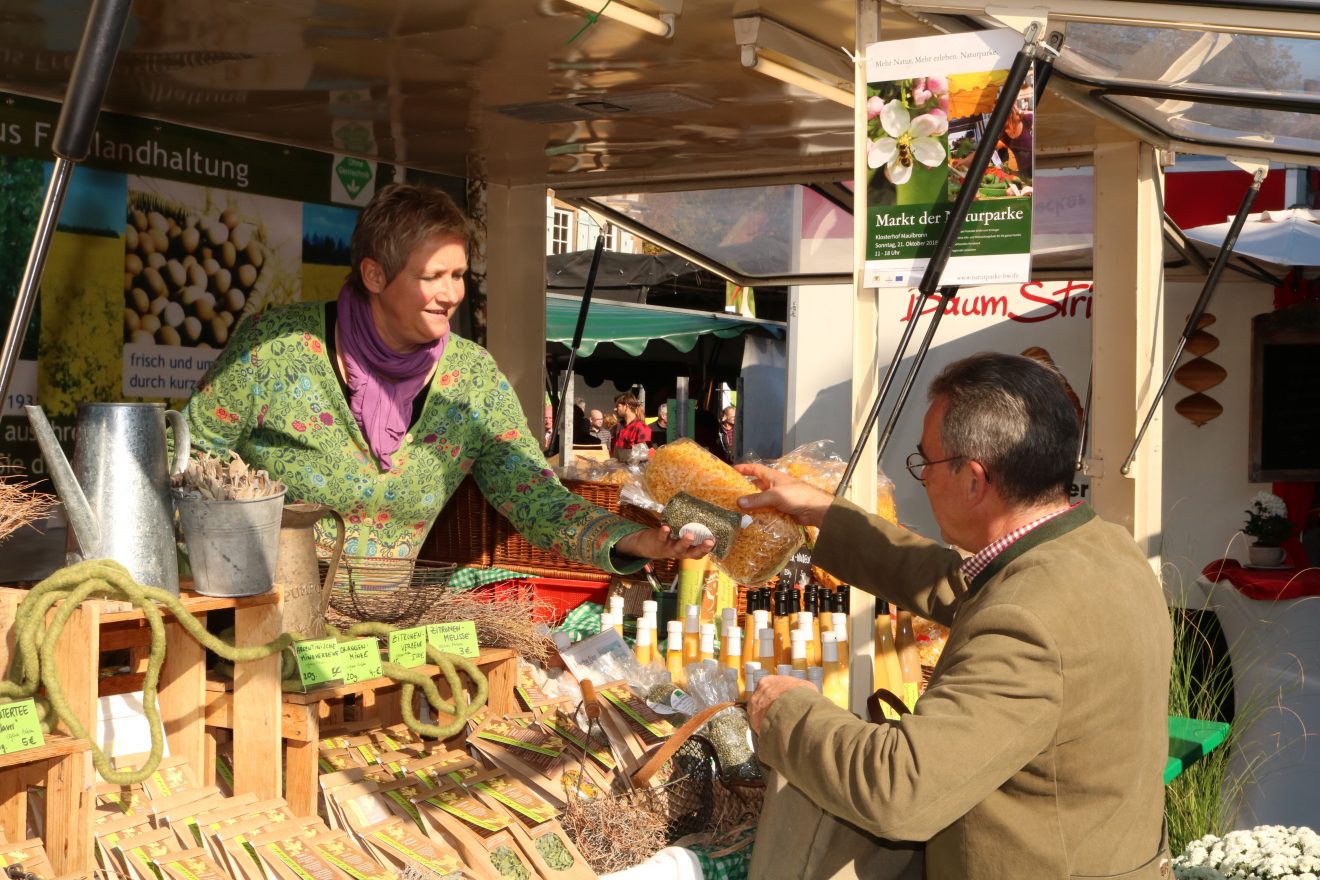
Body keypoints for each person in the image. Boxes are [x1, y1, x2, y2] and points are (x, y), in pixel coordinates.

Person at [735, 353, 1172, 880]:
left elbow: (898, 790)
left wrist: (786, 711)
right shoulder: (1103, 549)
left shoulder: (1028, 619)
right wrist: (823, 514)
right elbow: (962, 584)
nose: (920, 479)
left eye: (926, 462)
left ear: (973, 479)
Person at [183, 183, 711, 577]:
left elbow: (535, 497)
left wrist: (635, 541)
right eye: (431, 276)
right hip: (257, 627)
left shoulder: (472, 379)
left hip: (383, 641)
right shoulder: (274, 348)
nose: (451, 293)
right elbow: (181, 460)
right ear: (374, 276)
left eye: (457, 274)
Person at [610, 392, 650, 460]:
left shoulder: (642, 428)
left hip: (633, 469)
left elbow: (644, 457)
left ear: (626, 406)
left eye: (618, 406)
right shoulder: (618, 427)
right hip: (618, 469)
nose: (615, 409)